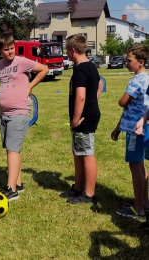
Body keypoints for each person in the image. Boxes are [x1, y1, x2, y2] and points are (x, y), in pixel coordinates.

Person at [0, 32, 48, 201]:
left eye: (12, 48)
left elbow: (43, 69)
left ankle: (11, 190)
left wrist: (30, 86)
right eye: (6, 49)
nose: (10, 52)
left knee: (12, 149)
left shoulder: (22, 62)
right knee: (12, 150)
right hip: (3, 113)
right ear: (0, 50)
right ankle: (18, 183)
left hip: (19, 112)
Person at [59, 34, 102, 204]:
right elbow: (99, 85)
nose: (66, 53)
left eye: (67, 50)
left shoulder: (80, 70)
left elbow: (81, 97)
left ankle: (89, 193)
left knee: (87, 154)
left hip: (84, 119)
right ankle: (78, 187)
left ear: (72, 50)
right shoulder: (91, 66)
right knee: (78, 152)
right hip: (87, 115)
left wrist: (76, 119)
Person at [111, 43, 149, 219]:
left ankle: (138, 209)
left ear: (140, 62)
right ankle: (144, 202)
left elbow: (123, 102)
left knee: (135, 166)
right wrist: (118, 127)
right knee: (140, 165)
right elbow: (131, 108)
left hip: (135, 131)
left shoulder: (137, 80)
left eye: (129, 60)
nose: (126, 63)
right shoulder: (147, 78)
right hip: (139, 126)